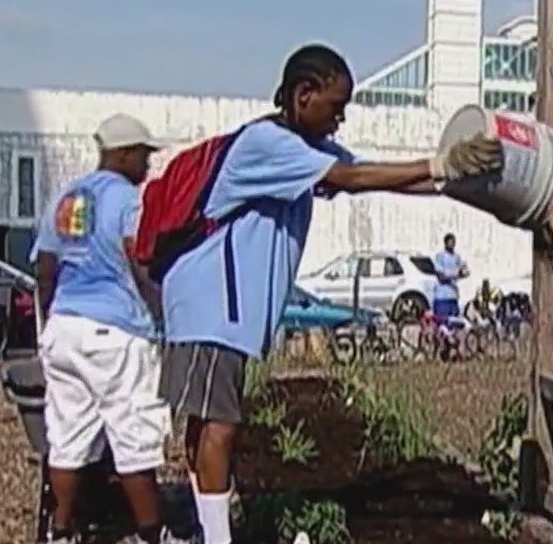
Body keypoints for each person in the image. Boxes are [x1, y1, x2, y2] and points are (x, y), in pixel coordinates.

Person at [157, 44, 503, 544]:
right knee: (221, 425)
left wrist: (454, 180)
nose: (341, 117)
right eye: (335, 105)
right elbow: (351, 177)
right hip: (212, 305)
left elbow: (372, 176)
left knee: (209, 423)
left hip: (216, 307)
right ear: (303, 95)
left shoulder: (303, 150)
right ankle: (213, 537)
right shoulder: (267, 143)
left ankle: (202, 529)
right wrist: (436, 161)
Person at [31, 113, 174, 544]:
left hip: (65, 327)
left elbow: (45, 267)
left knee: (68, 437)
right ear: (125, 154)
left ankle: (60, 532)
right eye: (144, 157)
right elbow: (138, 259)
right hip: (115, 331)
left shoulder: (67, 196)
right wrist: (162, 312)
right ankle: (151, 534)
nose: (148, 167)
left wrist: (47, 322)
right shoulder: (129, 200)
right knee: (134, 436)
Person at [433, 233, 468, 320]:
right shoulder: (440, 256)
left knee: (454, 323)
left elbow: (460, 272)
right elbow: (440, 277)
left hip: (453, 295)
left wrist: (463, 274)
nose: (452, 244)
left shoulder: (457, 257)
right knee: (442, 323)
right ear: (445, 243)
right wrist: (455, 275)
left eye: (453, 242)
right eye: (450, 242)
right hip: (442, 296)